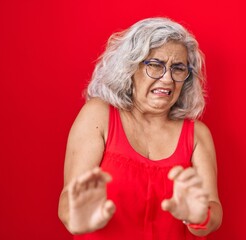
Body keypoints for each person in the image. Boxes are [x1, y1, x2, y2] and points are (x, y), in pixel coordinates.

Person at [58, 17, 223, 240]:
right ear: (131, 67)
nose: (167, 79)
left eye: (178, 68)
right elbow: (68, 201)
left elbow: (213, 212)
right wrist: (79, 217)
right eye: (155, 65)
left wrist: (199, 215)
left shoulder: (197, 134)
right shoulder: (99, 115)